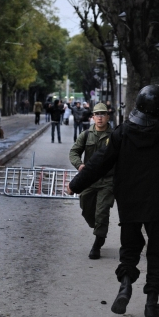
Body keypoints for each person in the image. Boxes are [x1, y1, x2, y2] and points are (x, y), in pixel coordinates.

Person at [68, 85, 159, 317]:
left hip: (130, 201)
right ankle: (152, 304)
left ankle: (125, 286)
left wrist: (75, 184)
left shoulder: (122, 133)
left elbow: (99, 162)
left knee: (130, 249)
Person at [69, 103, 115, 260]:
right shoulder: (86, 134)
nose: (100, 117)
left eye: (103, 114)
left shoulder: (114, 135)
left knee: (102, 211)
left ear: (108, 116)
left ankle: (98, 243)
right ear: (93, 117)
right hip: (89, 180)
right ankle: (98, 228)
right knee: (86, 207)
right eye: (97, 114)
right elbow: (74, 152)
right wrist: (79, 164)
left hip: (108, 180)